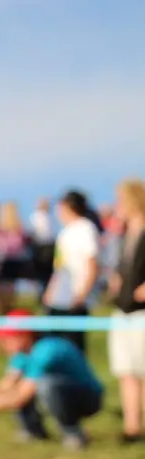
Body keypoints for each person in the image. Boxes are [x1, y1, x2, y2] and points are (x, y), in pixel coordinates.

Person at [0, 309, 104, 450]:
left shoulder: (47, 350)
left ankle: (73, 433)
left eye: (8, 338)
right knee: (28, 386)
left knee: (45, 385)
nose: (3, 343)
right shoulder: (22, 354)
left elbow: (20, 397)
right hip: (62, 391)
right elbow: (7, 385)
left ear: (25, 336)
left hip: (89, 398)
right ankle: (33, 432)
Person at [107, 179, 145, 443]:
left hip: (142, 312)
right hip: (123, 311)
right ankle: (132, 427)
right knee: (126, 370)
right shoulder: (123, 236)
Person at [43, 190, 102, 355]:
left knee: (74, 348)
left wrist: (81, 295)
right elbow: (60, 266)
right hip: (59, 299)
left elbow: (92, 264)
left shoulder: (86, 228)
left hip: (74, 299)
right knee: (55, 347)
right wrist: (51, 291)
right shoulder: (65, 232)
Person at [0, 201, 30, 314]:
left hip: (7, 263)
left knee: (5, 297)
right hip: (17, 264)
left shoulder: (1, 228)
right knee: (14, 297)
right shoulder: (20, 228)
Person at [28, 198, 56, 305]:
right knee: (41, 276)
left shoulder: (51, 217)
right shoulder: (35, 217)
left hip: (49, 248)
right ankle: (41, 297)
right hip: (40, 248)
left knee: (48, 275)